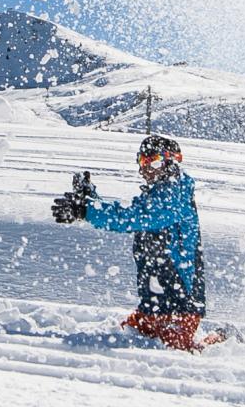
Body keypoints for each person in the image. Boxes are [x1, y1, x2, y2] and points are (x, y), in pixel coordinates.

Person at [53, 132, 213, 351]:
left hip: (180, 304)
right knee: (126, 336)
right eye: (142, 161)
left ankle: (222, 339)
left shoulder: (175, 195)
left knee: (178, 351)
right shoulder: (158, 194)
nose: (144, 168)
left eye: (152, 161)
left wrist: (86, 210)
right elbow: (132, 216)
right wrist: (90, 200)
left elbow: (134, 217)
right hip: (154, 303)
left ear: (170, 162)